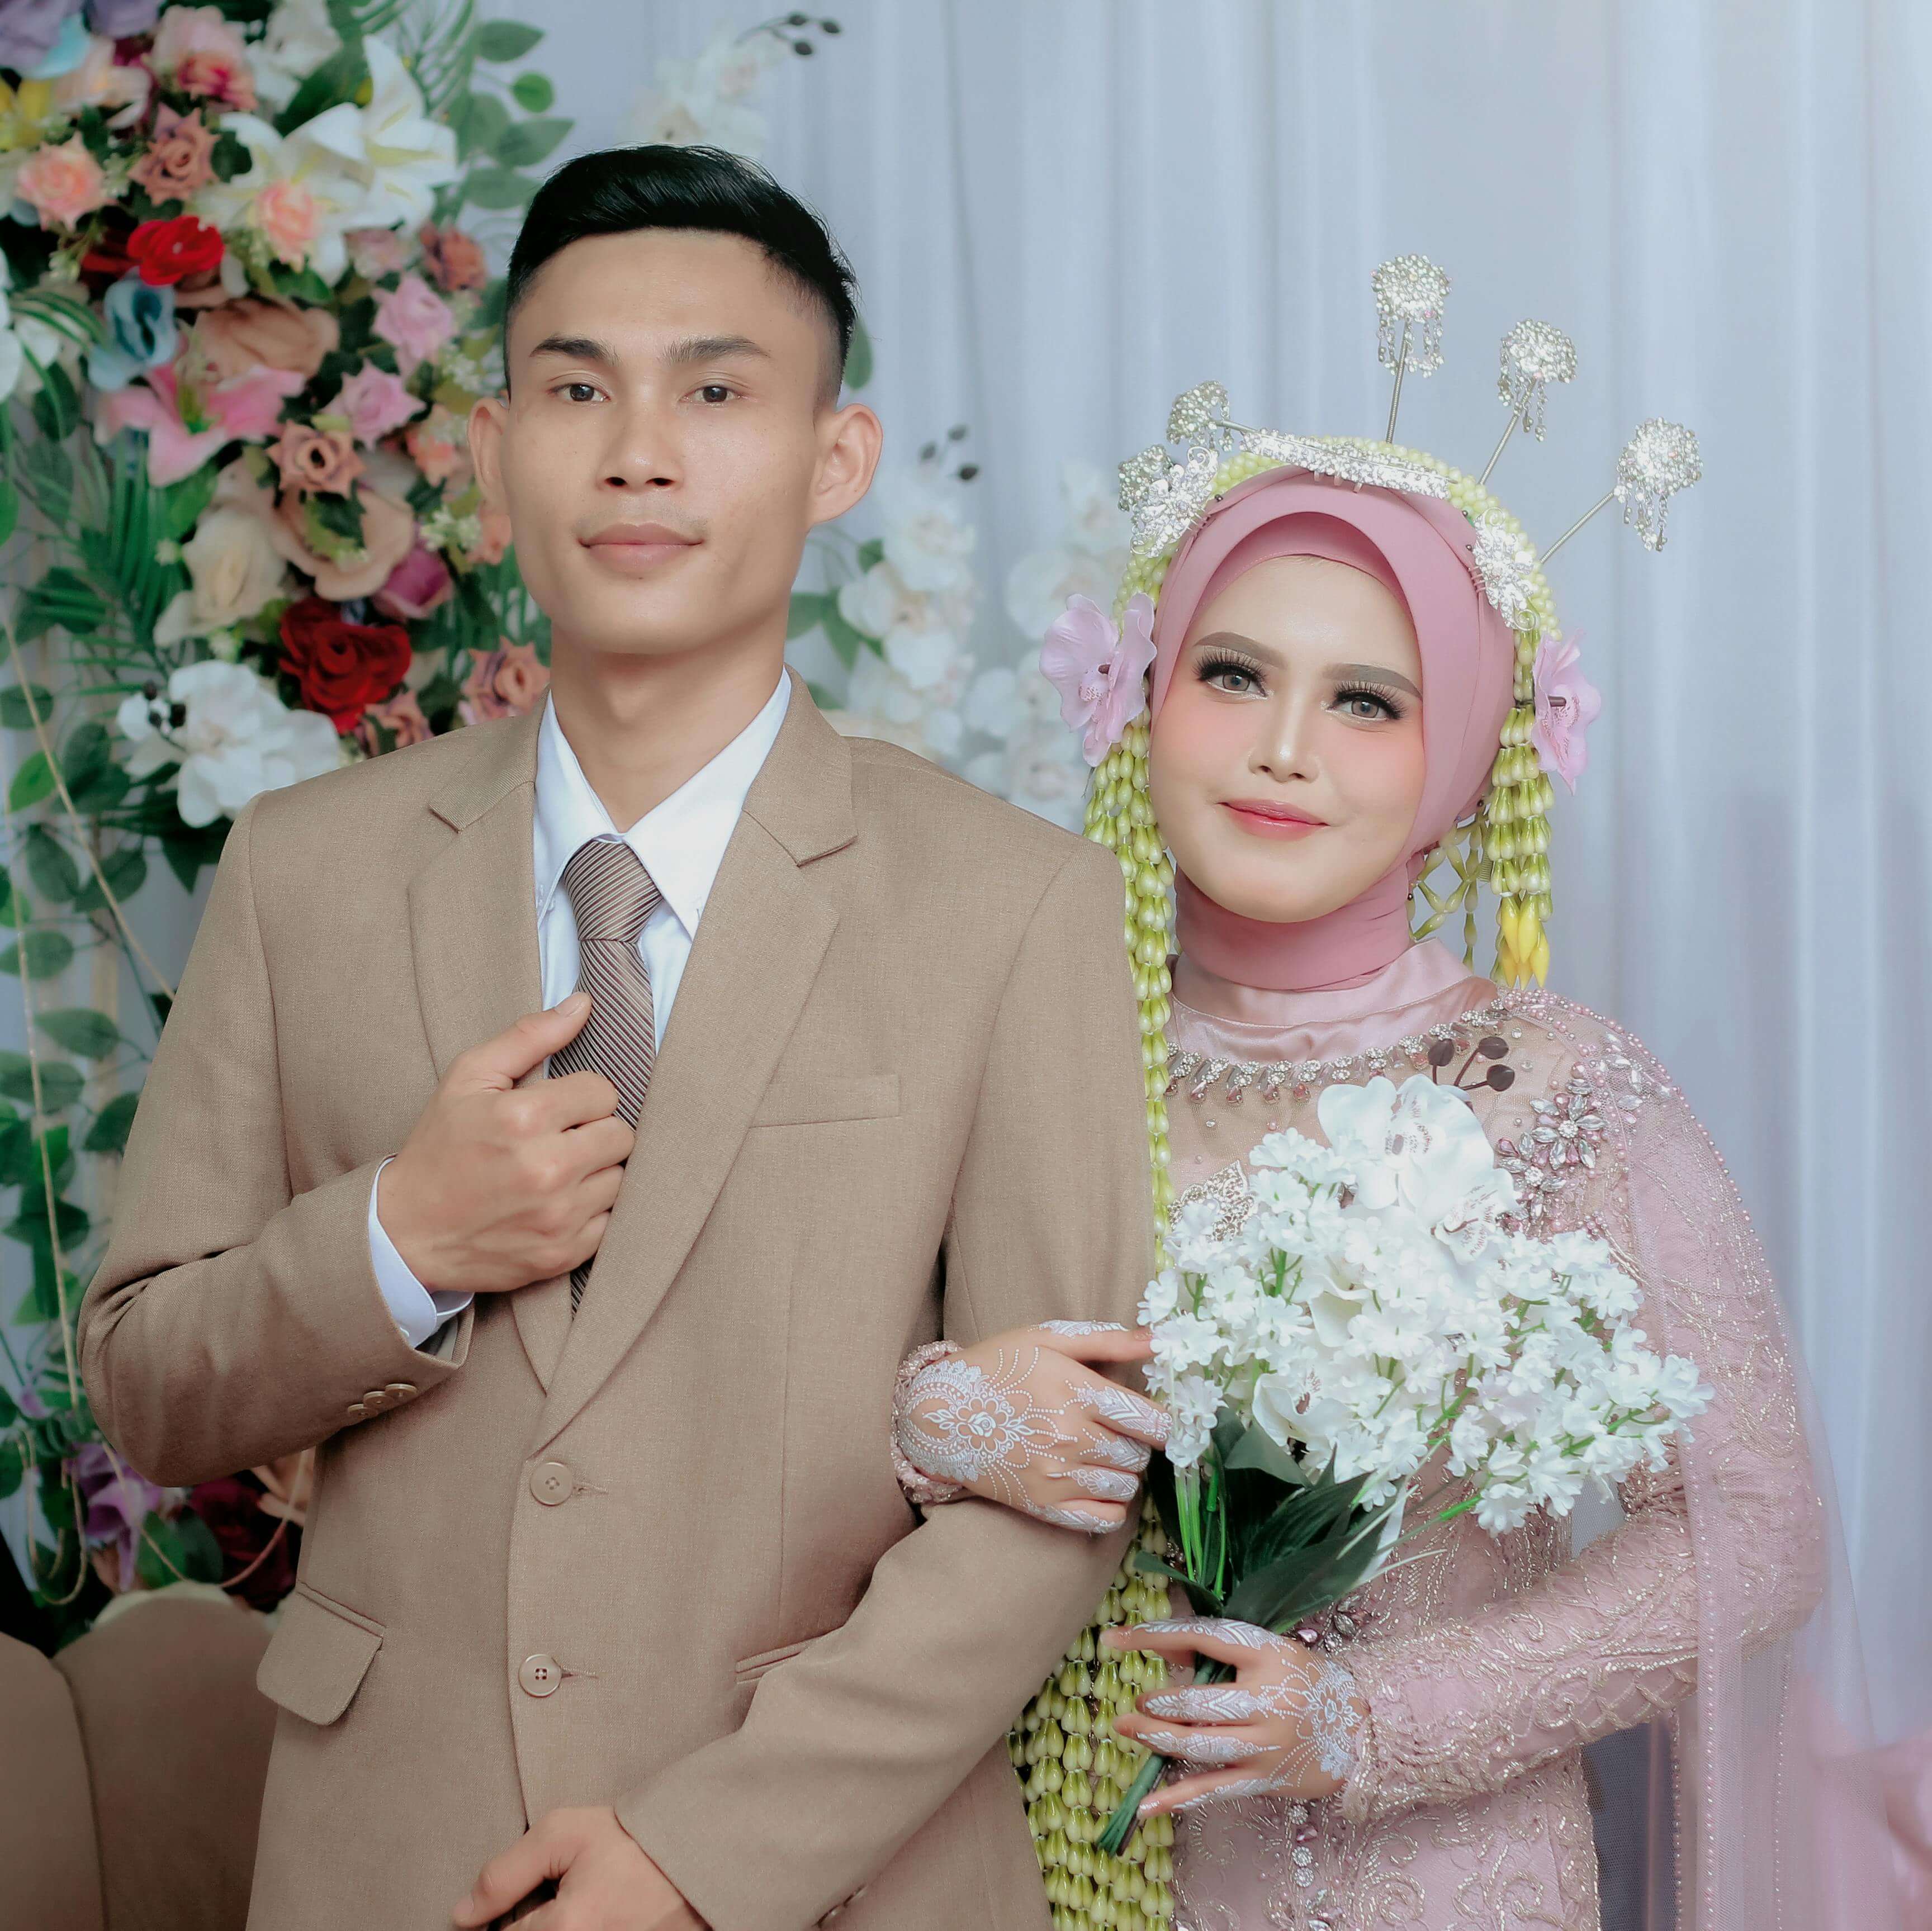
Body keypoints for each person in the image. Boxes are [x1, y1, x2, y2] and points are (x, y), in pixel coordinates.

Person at [77, 145, 1168, 1931]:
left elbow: (1062, 1485)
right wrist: (400, 1240)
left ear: (837, 458)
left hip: (837, 1875)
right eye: (577, 389)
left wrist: (702, 1853)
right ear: (493, 450)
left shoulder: (1013, 903)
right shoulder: (303, 871)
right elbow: (144, 1380)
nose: (639, 450)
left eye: (715, 392)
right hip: (391, 1854)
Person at [891, 377, 1897, 1929]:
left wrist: (1374, 1722)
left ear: (1471, 753)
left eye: (1368, 700)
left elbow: (1755, 1530)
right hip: (1020, 1865)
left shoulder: (1551, 1092)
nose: (1285, 749)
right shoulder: (1021, 1047)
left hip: (1429, 1881)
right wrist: (942, 1417)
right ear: (1139, 694)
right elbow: (780, 1385)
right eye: (1234, 674)